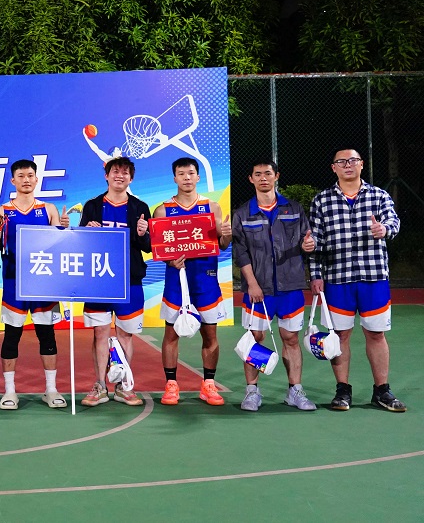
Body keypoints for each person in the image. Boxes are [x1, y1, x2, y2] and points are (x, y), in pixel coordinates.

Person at [310, 148, 405, 412]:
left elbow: (394, 222)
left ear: (361, 164)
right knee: (340, 335)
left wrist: (383, 229)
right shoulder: (322, 200)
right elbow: (315, 241)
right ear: (334, 168)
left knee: (376, 334)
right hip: (337, 279)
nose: (348, 165)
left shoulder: (379, 195)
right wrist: (315, 274)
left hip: (373, 277)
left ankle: (382, 390)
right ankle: (343, 391)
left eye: (353, 160)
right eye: (341, 162)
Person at [232, 159, 317, 412]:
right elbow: (240, 252)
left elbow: (307, 240)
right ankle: (252, 392)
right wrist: (252, 283)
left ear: (276, 176)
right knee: (255, 338)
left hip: (290, 287)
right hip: (259, 290)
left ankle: (295, 391)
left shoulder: (294, 209)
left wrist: (308, 246)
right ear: (251, 179)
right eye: (258, 174)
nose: (263, 178)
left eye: (268, 173)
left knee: (290, 338)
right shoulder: (243, 213)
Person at [0, 159, 69, 411]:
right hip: (14, 283)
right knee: (12, 336)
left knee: (47, 335)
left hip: (44, 284)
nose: (26, 179)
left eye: (30, 175)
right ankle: (10, 391)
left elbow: (61, 248)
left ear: (36, 179)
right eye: (21, 176)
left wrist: (64, 230)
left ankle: (51, 389)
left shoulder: (49, 209)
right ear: (13, 181)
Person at [153, 157, 232, 406]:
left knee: (210, 334)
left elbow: (221, 244)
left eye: (190, 173)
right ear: (174, 178)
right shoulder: (163, 210)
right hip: (176, 281)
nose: (187, 178)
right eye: (181, 173)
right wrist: (170, 262)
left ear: (198, 177)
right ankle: (171, 384)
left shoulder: (212, 207)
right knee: (171, 333)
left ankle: (208, 384)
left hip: (205, 280)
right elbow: (160, 250)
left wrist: (227, 236)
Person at [78, 156, 150, 407]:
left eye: (125, 172)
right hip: (99, 279)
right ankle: (100, 385)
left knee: (125, 334)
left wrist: (143, 233)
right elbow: (81, 242)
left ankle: (123, 386)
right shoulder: (92, 205)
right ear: (106, 176)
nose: (120, 176)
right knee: (100, 332)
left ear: (131, 178)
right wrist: (87, 230)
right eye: (115, 171)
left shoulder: (140, 207)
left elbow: (148, 246)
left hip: (129, 280)